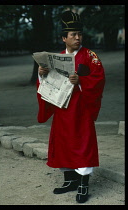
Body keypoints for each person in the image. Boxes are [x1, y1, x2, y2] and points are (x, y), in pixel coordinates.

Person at [36, 11, 105, 203]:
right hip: (62, 108)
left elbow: (99, 78)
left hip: (81, 109)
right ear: (63, 38)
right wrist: (42, 74)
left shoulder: (90, 56)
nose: (77, 38)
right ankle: (70, 180)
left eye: (79, 34)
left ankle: (83, 184)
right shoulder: (56, 58)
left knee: (82, 144)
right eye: (73, 35)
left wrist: (81, 80)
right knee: (63, 143)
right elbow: (46, 85)